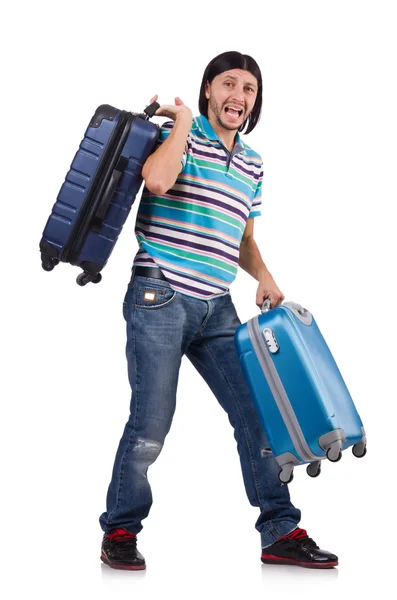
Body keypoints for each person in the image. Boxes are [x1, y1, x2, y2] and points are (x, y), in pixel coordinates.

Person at [99, 51, 338, 570]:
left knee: (258, 415)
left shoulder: (252, 163)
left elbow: (243, 238)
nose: (239, 95)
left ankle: (279, 531)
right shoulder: (181, 137)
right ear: (208, 89)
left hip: (218, 305)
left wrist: (267, 276)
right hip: (159, 294)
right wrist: (182, 121)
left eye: (249, 89)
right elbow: (158, 182)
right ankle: (120, 528)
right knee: (150, 424)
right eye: (228, 83)